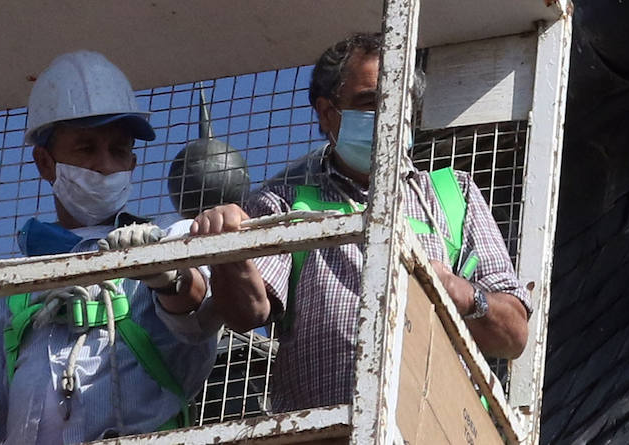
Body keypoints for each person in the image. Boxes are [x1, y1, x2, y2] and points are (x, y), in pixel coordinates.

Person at [193, 32, 530, 412]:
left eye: (399, 102)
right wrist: (230, 249)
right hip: (328, 434)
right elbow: (248, 313)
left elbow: (514, 334)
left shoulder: (454, 195)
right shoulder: (283, 202)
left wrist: (463, 294)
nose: (388, 116)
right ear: (326, 112)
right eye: (370, 102)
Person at [0, 50, 220, 444]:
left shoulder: (166, 242)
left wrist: (167, 278)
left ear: (132, 162)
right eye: (86, 148)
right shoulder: (14, 288)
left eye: (118, 149)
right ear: (45, 163)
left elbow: (198, 318)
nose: (104, 164)